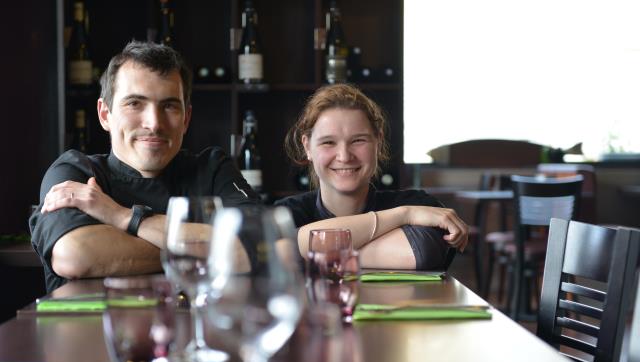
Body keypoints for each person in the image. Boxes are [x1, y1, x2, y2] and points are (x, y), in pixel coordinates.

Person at [29, 41, 260, 292]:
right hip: (94, 330)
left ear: (186, 119)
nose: (154, 123)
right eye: (134, 103)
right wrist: (208, 248)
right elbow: (75, 255)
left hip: (198, 328)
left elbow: (256, 246)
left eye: (169, 105)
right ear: (105, 114)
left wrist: (123, 217)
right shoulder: (77, 173)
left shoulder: (213, 168)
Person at [275, 84, 468, 270]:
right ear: (307, 147)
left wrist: (305, 250)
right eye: (328, 142)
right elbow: (271, 253)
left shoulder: (419, 202)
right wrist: (403, 215)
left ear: (378, 140)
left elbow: (424, 250)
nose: (344, 156)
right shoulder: (285, 213)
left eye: (358, 140)